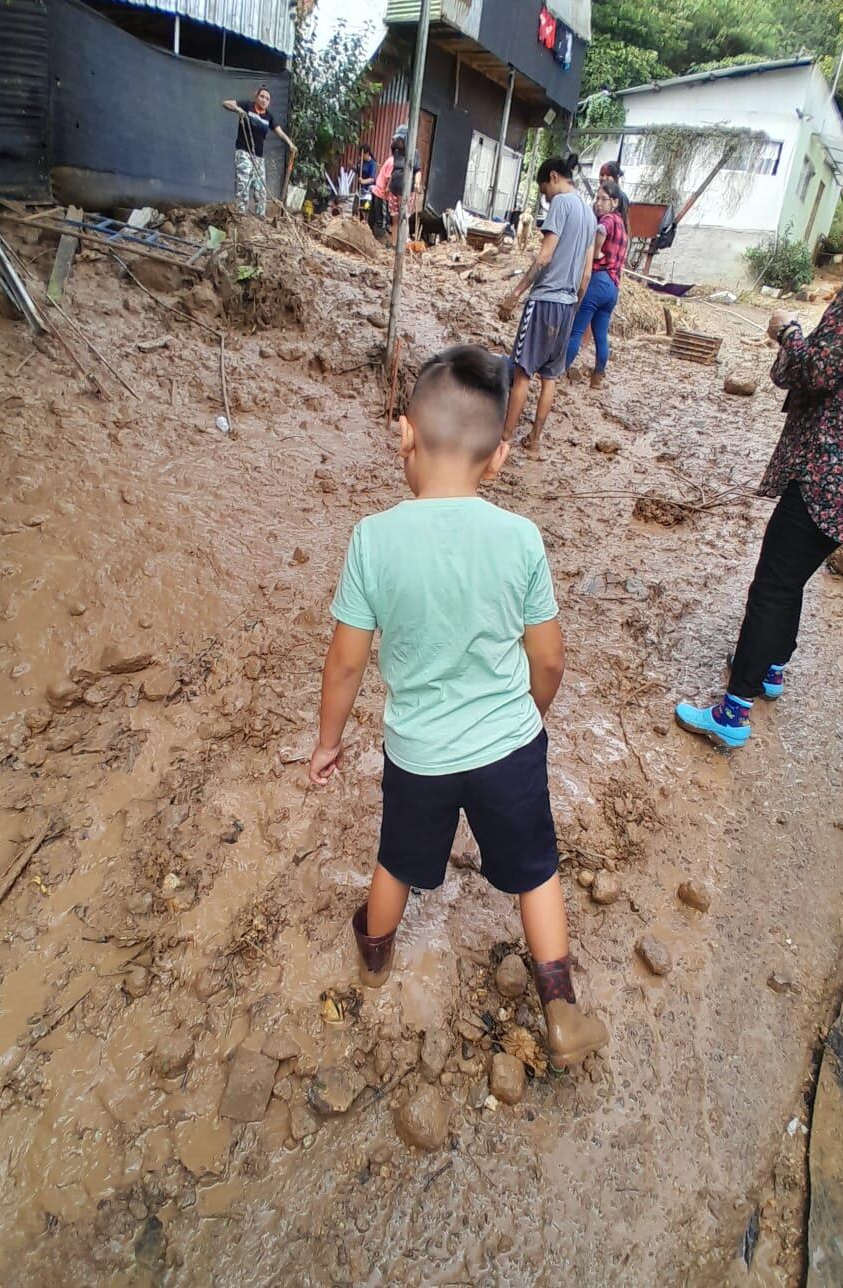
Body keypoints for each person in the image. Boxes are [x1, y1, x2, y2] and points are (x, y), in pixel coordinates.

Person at [308, 345, 609, 1072]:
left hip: (419, 755)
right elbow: (549, 659)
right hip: (509, 746)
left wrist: (327, 741)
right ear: (499, 458)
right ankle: (561, 1008)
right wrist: (529, 716)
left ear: (405, 435)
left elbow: (346, 662)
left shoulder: (373, 539)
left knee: (397, 860)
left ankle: (374, 958)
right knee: (537, 869)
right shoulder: (520, 538)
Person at [675, 187, 843, 749]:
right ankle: (772, 667)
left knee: (772, 583)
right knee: (794, 576)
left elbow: (814, 371)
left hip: (830, 467)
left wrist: (788, 331)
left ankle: (732, 711)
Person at [499, 155, 597, 453]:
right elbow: (587, 274)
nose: (546, 198)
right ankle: (534, 439)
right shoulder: (590, 215)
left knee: (522, 373)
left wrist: (515, 294)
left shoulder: (561, 204)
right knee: (550, 377)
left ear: (553, 177)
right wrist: (575, 306)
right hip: (568, 304)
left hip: (544, 301)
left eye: (545, 191)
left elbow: (544, 256)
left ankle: (503, 440)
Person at [564, 179, 629, 389]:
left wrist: (597, 251)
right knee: (601, 336)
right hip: (613, 287)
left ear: (615, 202)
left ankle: (557, 373)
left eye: (604, 199)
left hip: (599, 281)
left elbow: (601, 229)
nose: (598, 203)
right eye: (597, 198)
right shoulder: (623, 225)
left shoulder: (608, 219)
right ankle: (598, 378)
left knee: (576, 331)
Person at [222, 86, 296, 218]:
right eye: (262, 96)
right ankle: (240, 217)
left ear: (269, 102)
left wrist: (290, 144)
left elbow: (279, 132)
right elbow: (226, 103)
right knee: (243, 187)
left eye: (267, 99)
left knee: (261, 191)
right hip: (244, 153)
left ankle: (260, 220)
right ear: (256, 96)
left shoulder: (269, 117)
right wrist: (239, 110)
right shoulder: (247, 106)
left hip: (258, 158)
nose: (264, 100)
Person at [370, 126, 422, 244]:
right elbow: (393, 171)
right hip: (394, 190)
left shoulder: (414, 153)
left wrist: (417, 183)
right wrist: (388, 187)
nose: (397, 142)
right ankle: (394, 244)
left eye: (399, 139)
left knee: (404, 218)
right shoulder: (397, 152)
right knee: (395, 218)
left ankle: (403, 245)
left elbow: (418, 170)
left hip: (406, 190)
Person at [358, 144, 376, 219]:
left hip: (368, 191)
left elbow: (372, 179)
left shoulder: (372, 163)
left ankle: (366, 222)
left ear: (367, 153)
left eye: (363, 155)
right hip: (361, 190)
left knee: (366, 208)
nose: (361, 156)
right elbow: (359, 171)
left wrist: (363, 181)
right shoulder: (361, 162)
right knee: (360, 209)